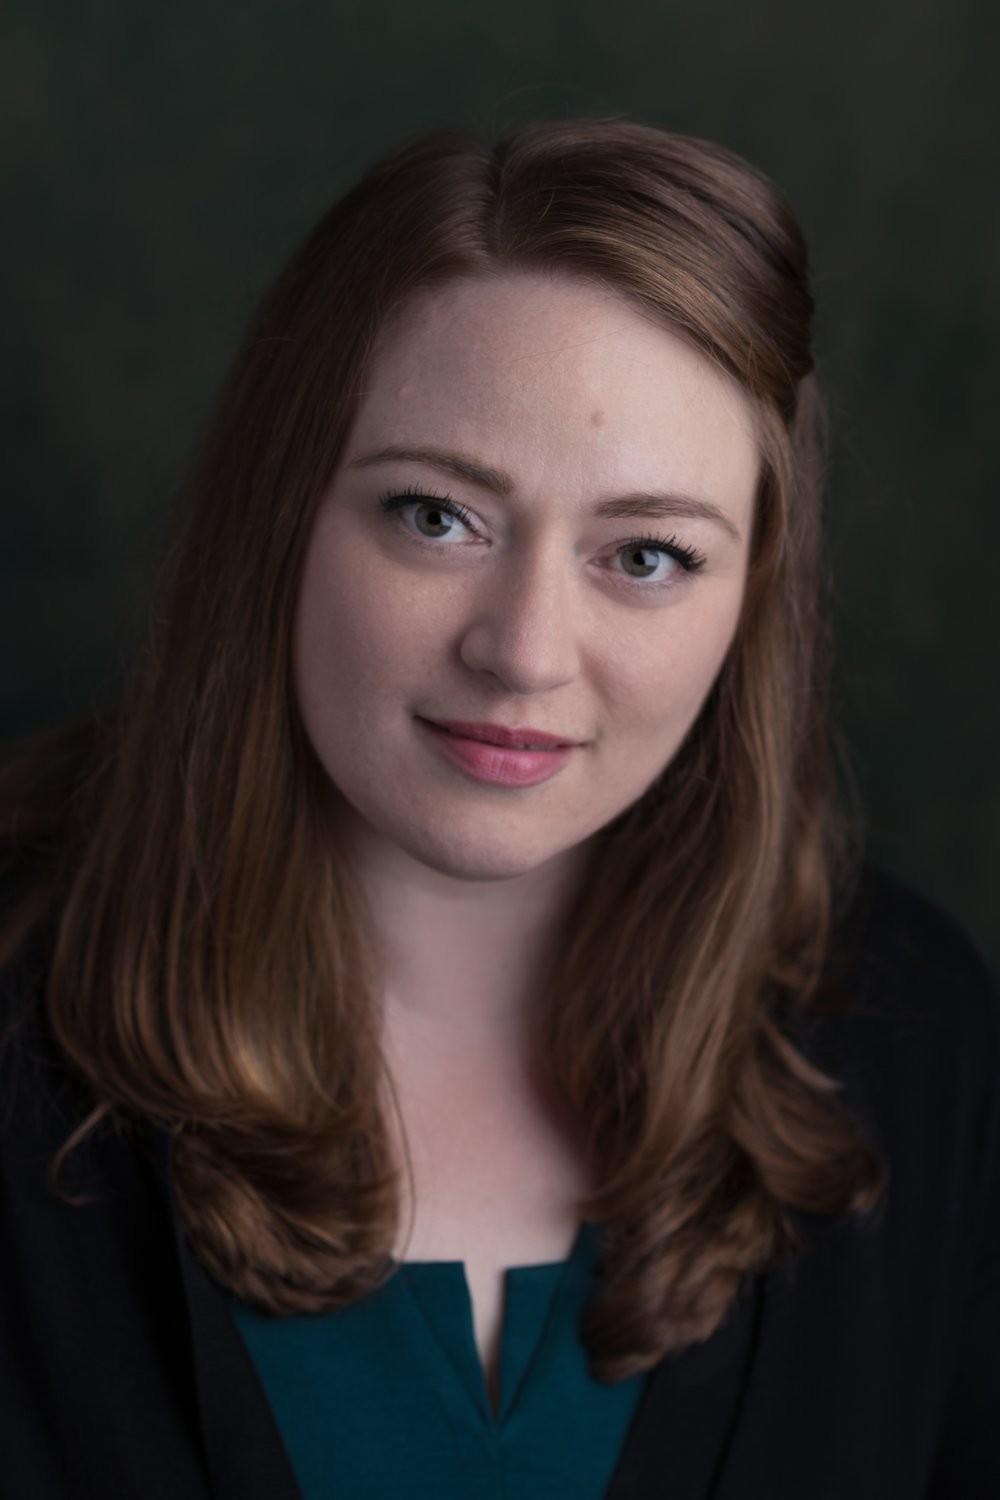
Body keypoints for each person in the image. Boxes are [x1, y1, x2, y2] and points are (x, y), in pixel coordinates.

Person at [0, 117, 996, 1500]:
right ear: (277, 511)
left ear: (752, 596)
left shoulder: (918, 1045)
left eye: (647, 555)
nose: (525, 652)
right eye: (436, 516)